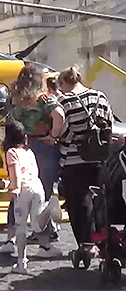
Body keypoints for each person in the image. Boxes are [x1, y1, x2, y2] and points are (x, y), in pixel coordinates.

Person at [57, 65, 114, 258]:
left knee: (78, 202)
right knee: (102, 200)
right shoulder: (100, 96)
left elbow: (64, 133)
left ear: (64, 83)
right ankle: (105, 238)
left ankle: (86, 244)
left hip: (75, 159)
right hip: (101, 158)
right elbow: (110, 124)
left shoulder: (64, 100)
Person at [10, 65, 65, 241]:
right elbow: (59, 114)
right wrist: (53, 135)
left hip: (24, 145)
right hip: (44, 144)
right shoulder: (43, 99)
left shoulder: (17, 99)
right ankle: (45, 230)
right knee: (44, 189)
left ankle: (18, 233)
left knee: (22, 187)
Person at [2, 119, 63, 274]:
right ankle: (48, 209)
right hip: (37, 186)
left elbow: (15, 170)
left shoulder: (11, 152)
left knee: (21, 226)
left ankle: (22, 262)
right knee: (36, 224)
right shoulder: (29, 151)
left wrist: (14, 188)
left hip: (23, 189)